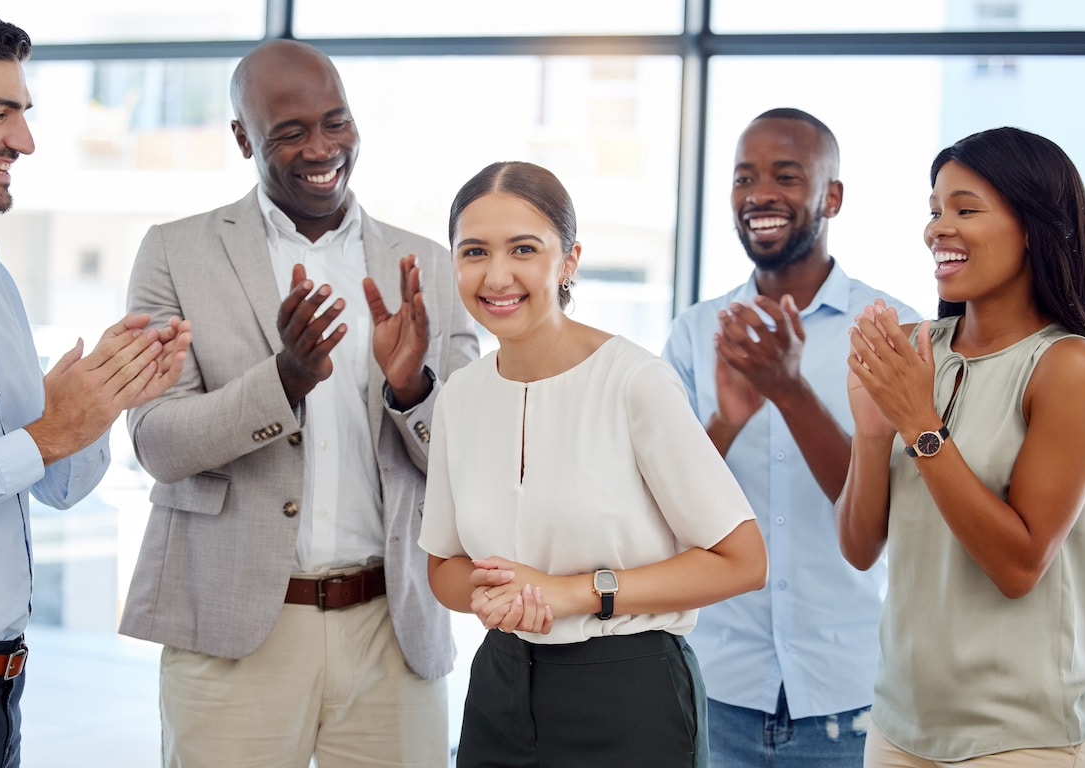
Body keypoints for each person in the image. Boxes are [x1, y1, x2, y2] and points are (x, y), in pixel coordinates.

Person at [118, 39, 478, 768]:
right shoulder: (173, 253)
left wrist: (411, 390)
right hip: (233, 630)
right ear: (243, 139)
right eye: (290, 132)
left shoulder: (429, 268)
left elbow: (464, 462)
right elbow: (156, 442)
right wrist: (283, 381)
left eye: (336, 122)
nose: (322, 147)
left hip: (392, 631)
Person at [0, 5, 191, 767]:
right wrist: (48, 432)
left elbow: (55, 487)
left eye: (23, 114)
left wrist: (102, 402)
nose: (23, 142)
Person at [420, 160, 768, 768]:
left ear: (569, 260)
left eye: (523, 249)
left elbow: (743, 561)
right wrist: (496, 594)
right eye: (473, 252)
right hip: (499, 687)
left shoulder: (634, 382)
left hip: (629, 691)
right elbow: (445, 568)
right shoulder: (460, 396)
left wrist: (573, 593)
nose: (496, 274)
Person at [661, 107, 920, 766]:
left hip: (849, 696)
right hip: (717, 689)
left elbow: (885, 515)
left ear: (831, 196)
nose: (760, 195)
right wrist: (729, 417)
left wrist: (790, 391)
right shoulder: (695, 333)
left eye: (786, 175)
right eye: (744, 178)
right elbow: (665, 509)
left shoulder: (895, 332)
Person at [837, 127, 1085, 765]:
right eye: (934, 211)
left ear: (1036, 226)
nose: (937, 229)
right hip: (899, 725)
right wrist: (875, 433)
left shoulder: (1069, 367)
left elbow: (1019, 568)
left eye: (965, 209)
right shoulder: (917, 350)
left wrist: (919, 423)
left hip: (1022, 737)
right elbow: (859, 547)